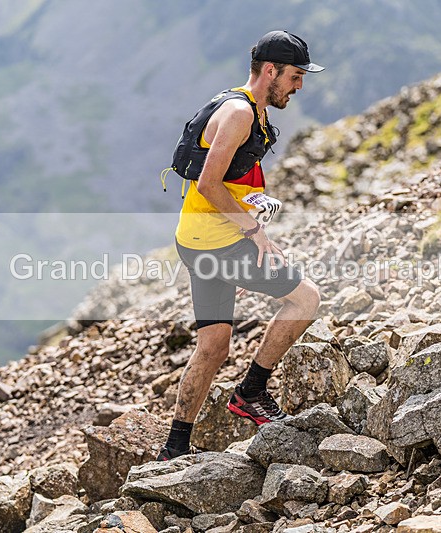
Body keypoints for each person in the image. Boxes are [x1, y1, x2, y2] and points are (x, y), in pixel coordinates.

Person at [157, 30, 324, 461]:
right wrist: (256, 233)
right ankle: (251, 391)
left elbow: (227, 179)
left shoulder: (244, 106)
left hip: (198, 242)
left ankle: (174, 448)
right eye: (295, 75)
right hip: (220, 245)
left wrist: (254, 203)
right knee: (305, 300)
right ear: (270, 70)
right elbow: (208, 183)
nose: (299, 85)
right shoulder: (239, 113)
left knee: (213, 346)